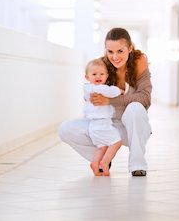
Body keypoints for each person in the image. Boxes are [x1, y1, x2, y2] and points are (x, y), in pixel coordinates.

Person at [59, 27, 152, 176]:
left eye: (120, 51)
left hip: (132, 127)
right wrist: (91, 96)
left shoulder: (139, 61)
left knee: (135, 108)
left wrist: (109, 100)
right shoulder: (101, 66)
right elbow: (89, 93)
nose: (115, 57)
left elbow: (145, 98)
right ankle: (103, 158)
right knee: (65, 129)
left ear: (130, 48)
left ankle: (137, 165)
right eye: (110, 51)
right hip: (106, 126)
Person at [83, 58, 123, 176]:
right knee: (117, 142)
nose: (98, 77)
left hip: (94, 126)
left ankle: (95, 163)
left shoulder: (87, 88)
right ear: (87, 77)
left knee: (102, 147)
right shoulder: (98, 88)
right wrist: (120, 90)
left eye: (101, 74)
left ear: (107, 76)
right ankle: (105, 162)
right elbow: (112, 91)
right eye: (94, 74)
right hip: (102, 124)